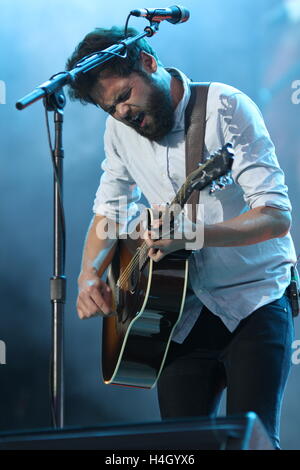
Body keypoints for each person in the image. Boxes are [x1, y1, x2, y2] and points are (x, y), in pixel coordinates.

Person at [66, 26, 296, 450]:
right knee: (180, 451)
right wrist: (87, 275)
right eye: (109, 109)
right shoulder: (119, 132)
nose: (120, 114)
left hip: (254, 300)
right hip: (180, 313)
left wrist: (193, 234)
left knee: (254, 443)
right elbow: (109, 210)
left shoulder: (226, 107)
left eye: (123, 97)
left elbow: (276, 217)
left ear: (149, 64)